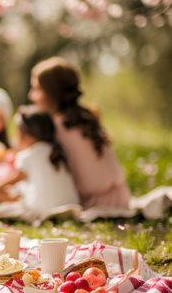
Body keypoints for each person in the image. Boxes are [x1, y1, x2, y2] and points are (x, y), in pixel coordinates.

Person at [28, 56, 131, 209]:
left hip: (95, 203)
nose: (31, 96)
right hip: (121, 197)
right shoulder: (84, 120)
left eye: (37, 89)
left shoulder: (58, 128)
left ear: (52, 92)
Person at [0, 106, 80, 214]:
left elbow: (15, 178)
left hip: (42, 207)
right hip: (72, 203)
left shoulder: (27, 155)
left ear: (25, 135)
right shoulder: (58, 151)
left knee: (1, 196)